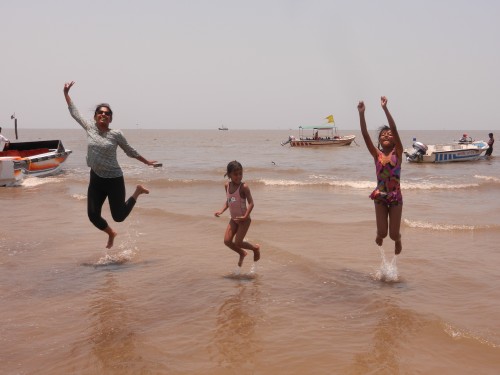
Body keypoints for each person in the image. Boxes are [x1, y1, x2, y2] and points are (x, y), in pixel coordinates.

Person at [63, 81, 157, 249]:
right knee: (93, 216)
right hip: (96, 178)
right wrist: (66, 94)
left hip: (114, 179)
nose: (103, 115)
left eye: (107, 113)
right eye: (100, 112)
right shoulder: (90, 127)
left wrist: (146, 162)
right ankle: (111, 233)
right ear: (95, 116)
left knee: (119, 217)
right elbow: (75, 113)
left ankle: (137, 192)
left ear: (111, 118)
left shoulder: (116, 134)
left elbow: (130, 151)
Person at [358, 97, 403, 255]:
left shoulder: (398, 153)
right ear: (379, 139)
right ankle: (379, 234)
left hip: (395, 196)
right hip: (380, 195)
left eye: (389, 135)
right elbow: (364, 135)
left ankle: (398, 240)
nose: (386, 136)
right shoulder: (376, 155)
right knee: (383, 233)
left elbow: (395, 130)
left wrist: (385, 109)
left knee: (393, 234)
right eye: (383, 134)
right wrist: (362, 114)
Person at [214, 161, 261, 267]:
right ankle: (242, 253)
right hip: (234, 219)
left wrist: (245, 216)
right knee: (227, 241)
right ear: (229, 174)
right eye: (235, 174)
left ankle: (255, 248)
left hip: (244, 220)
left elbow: (251, 203)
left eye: (240, 173)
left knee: (238, 243)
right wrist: (221, 210)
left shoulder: (244, 187)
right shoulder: (227, 185)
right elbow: (229, 200)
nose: (238, 176)